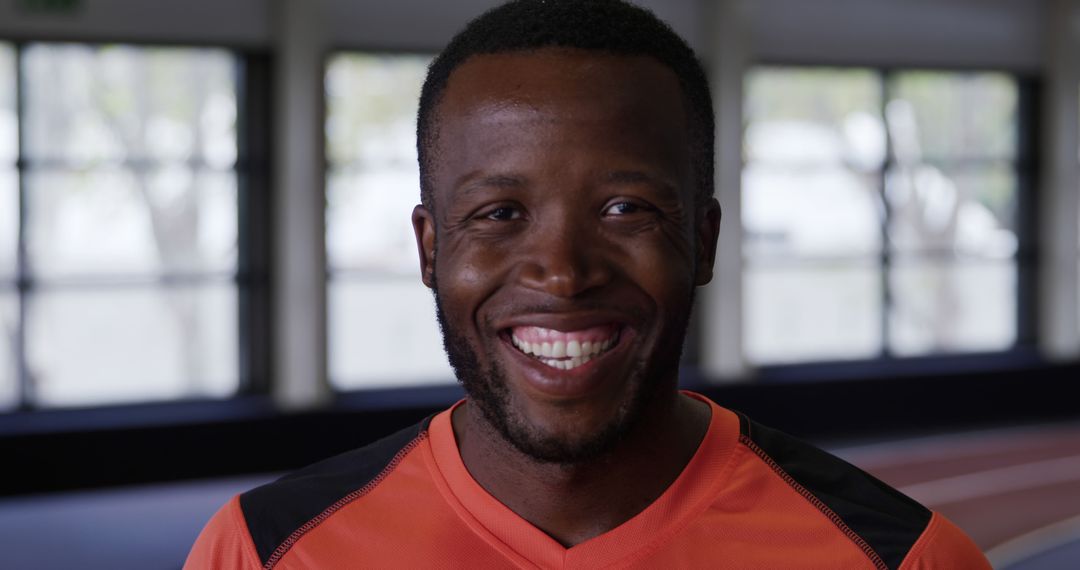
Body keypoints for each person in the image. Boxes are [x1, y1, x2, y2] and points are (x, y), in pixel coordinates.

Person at [186, 1, 992, 568]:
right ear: (429, 250)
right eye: (500, 213)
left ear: (703, 242)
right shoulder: (263, 552)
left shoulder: (900, 560)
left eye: (625, 208)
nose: (564, 273)